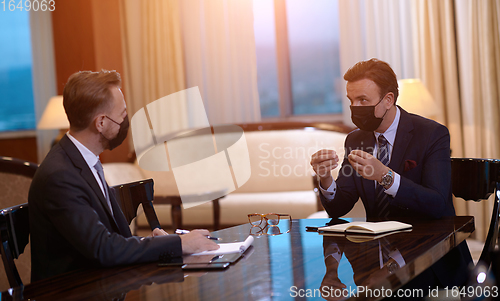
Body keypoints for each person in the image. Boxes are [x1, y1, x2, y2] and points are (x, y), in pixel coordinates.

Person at [29, 70, 218, 281]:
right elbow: (103, 249)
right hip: (72, 289)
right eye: (122, 115)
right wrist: (179, 243)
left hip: (102, 279)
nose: (125, 121)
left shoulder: (83, 161)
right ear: (100, 123)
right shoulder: (60, 176)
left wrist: (160, 243)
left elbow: (114, 240)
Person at [310, 59, 472, 289]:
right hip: (373, 258)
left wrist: (385, 176)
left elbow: (437, 204)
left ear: (388, 100)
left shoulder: (432, 134)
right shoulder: (356, 139)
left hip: (430, 259)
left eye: (363, 100)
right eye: (351, 101)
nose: (355, 107)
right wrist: (325, 177)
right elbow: (339, 207)